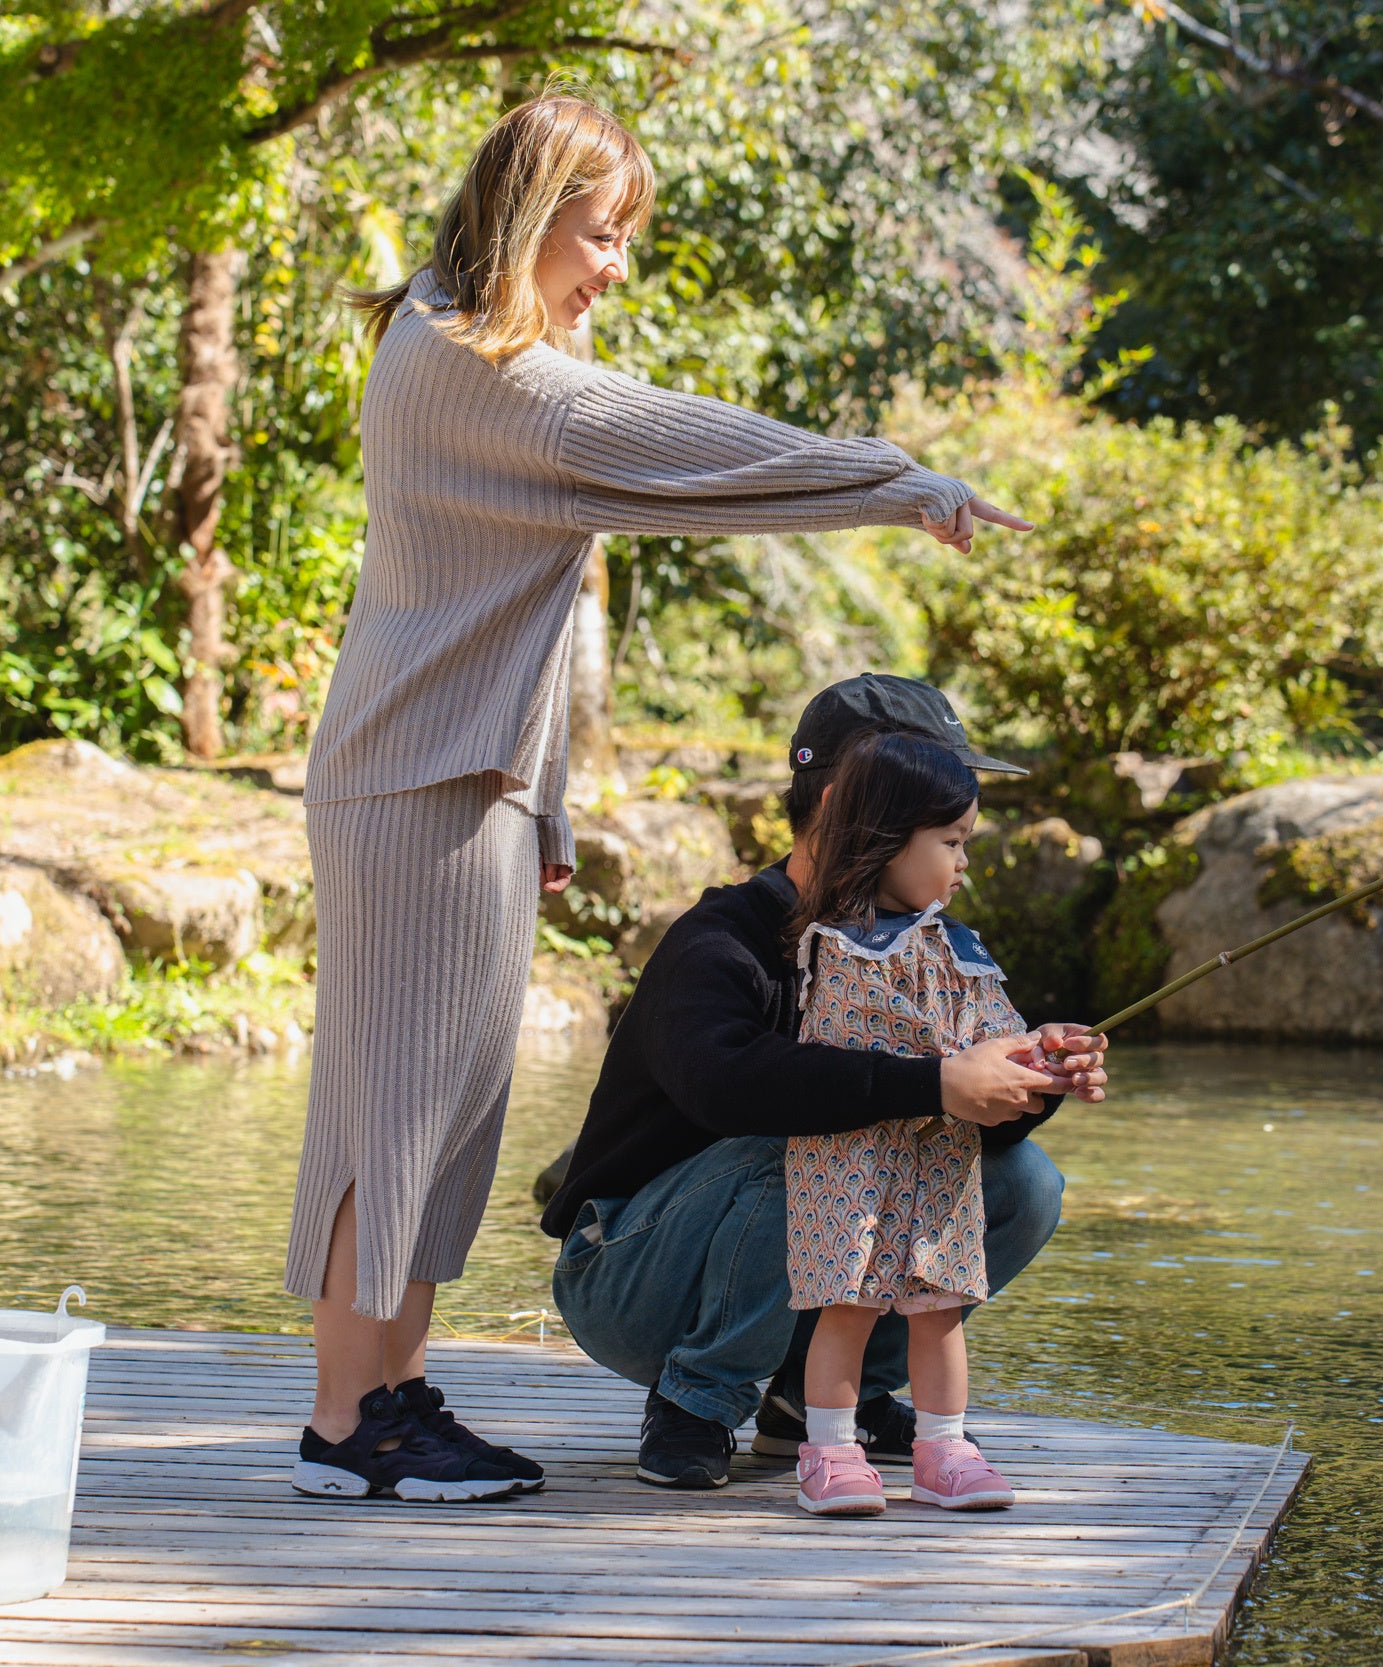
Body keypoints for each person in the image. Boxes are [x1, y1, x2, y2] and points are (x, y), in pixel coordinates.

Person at [282, 95, 1031, 1506]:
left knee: (446, 1112)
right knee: (384, 1111)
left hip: (468, 775)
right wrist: (893, 482)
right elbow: (696, 450)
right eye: (600, 230)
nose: (614, 263)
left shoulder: (475, 343)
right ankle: (348, 1418)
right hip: (415, 774)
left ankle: (390, 1390)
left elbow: (509, 609)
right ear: (526, 212)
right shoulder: (479, 370)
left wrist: (547, 804)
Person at [540, 675, 1108, 1490]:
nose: (962, 854)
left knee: (1024, 1181)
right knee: (811, 1143)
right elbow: (730, 1087)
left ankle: (820, 1404)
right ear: (852, 806)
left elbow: (959, 1114)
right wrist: (937, 1081)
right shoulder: (723, 938)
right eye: (945, 823)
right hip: (630, 1276)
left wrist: (1029, 1075)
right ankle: (696, 1397)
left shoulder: (938, 946)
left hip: (795, 1251)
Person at [782, 733, 1026, 1517]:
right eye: (950, 842)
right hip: (852, 1159)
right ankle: (830, 1447)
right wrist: (956, 1067)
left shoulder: (962, 946)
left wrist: (1041, 1052)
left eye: (966, 844)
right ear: (888, 838)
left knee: (941, 1303)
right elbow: (871, 1036)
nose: (962, 863)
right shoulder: (837, 945)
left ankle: (944, 1445)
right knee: (847, 1302)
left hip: (939, 1160)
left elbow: (996, 1024)